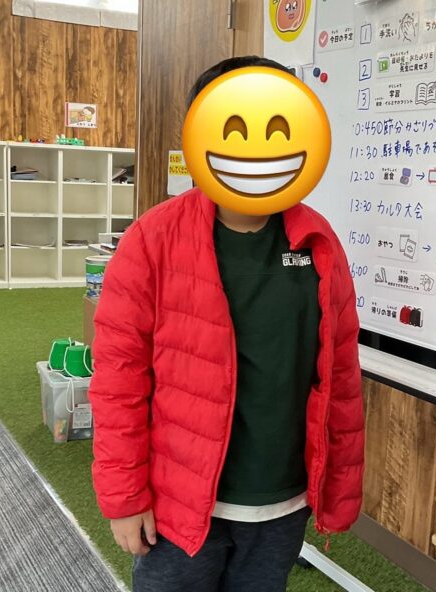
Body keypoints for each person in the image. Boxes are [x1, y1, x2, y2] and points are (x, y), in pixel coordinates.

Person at [89, 56, 364, 592]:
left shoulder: (319, 243)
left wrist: (338, 487)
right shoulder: (152, 241)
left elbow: (341, 376)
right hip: (180, 503)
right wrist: (124, 498)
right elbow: (118, 379)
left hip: (281, 502)